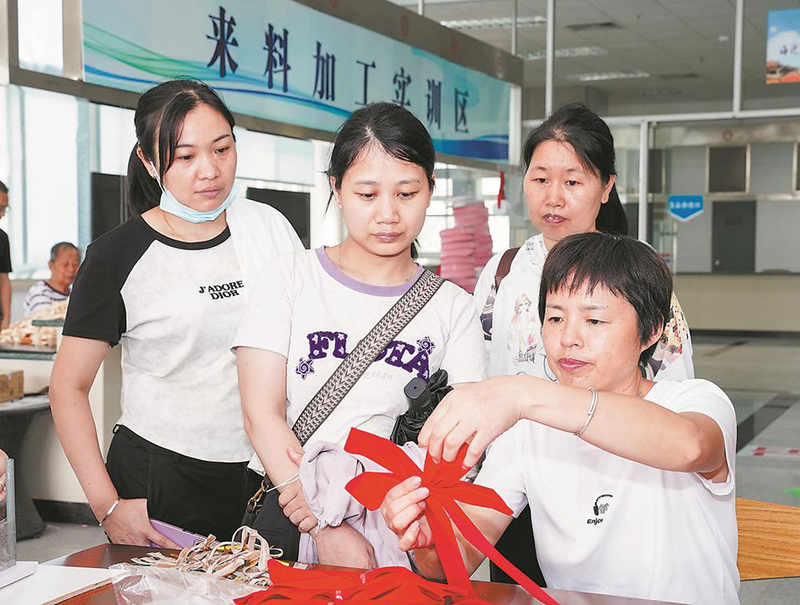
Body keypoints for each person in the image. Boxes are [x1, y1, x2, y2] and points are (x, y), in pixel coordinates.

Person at [381, 233, 739, 604]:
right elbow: (457, 557)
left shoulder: (694, 401)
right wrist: (426, 539)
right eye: (555, 317)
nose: (568, 338)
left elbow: (691, 447)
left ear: (650, 331)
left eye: (594, 320)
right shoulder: (526, 432)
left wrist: (523, 394)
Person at [49, 79, 302, 548]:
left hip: (266, 470)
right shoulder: (115, 256)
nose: (210, 170)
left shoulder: (267, 227)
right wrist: (107, 505)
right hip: (162, 476)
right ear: (149, 161)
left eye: (222, 149)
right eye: (185, 157)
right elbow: (68, 387)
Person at [234, 102, 485, 569]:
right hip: (294, 510)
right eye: (367, 194)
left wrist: (404, 521)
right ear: (337, 187)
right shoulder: (289, 278)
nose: (388, 214)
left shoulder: (453, 307)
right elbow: (260, 415)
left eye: (406, 193)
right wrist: (322, 525)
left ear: (430, 189)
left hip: (403, 527)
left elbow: (461, 443)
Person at [473, 102, 695, 584]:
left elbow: (676, 404)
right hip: (513, 482)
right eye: (540, 179)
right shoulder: (503, 272)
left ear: (606, 187)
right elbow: (482, 370)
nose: (553, 197)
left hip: (615, 482)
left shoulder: (636, 278)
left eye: (572, 181)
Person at [23, 242, 81, 317]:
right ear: (51, 265)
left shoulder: (76, 294)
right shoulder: (39, 291)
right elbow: (46, 319)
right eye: (65, 264)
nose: (71, 269)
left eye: (76, 264)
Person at [0, 181, 12, 330]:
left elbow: (4, 279)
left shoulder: (2, 238)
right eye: (0, 208)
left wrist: (6, 318)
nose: (2, 214)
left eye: (5, 209)